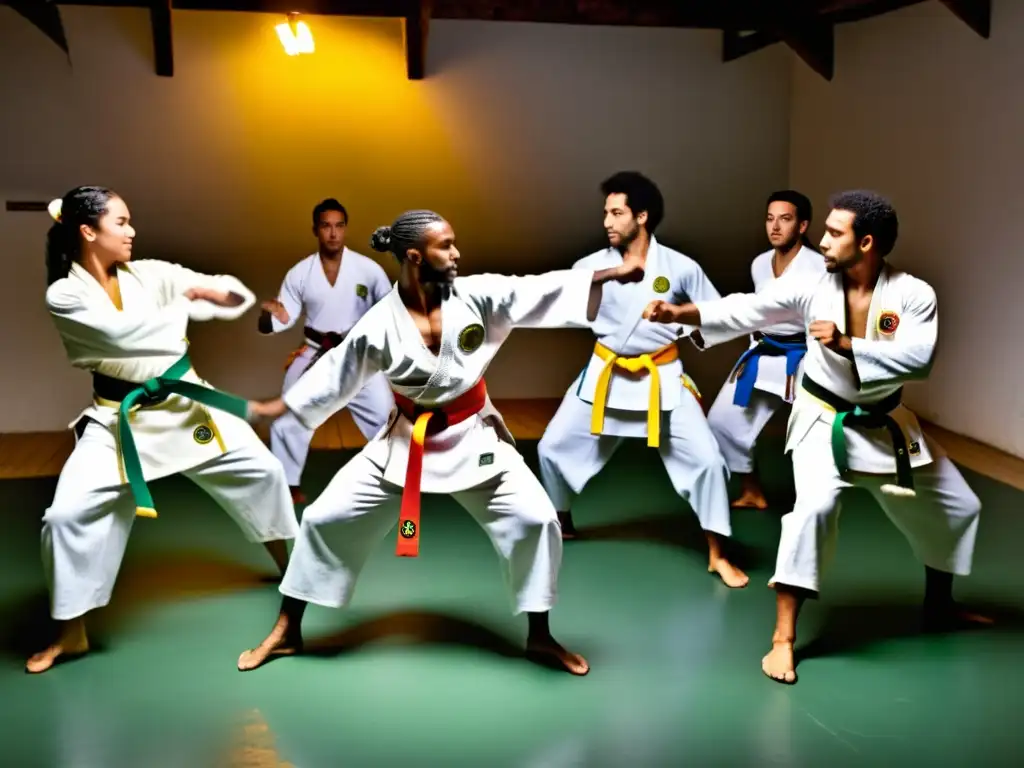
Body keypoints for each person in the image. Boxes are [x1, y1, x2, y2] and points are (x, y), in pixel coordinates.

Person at [238, 209, 646, 676]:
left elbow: (534, 287)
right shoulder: (379, 324)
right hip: (404, 444)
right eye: (446, 245)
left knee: (536, 519)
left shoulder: (477, 295)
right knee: (324, 516)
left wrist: (612, 271)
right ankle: (288, 628)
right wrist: (276, 407)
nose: (457, 253)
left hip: (474, 440)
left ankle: (540, 636)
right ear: (415, 256)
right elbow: (335, 377)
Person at [642, 189, 989, 684]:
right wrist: (683, 315)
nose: (822, 241)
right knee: (813, 510)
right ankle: (782, 640)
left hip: (885, 422)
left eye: (834, 232)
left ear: (866, 242)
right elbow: (750, 308)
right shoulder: (814, 286)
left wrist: (847, 343)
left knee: (957, 505)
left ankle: (940, 606)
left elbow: (920, 359)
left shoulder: (913, 294)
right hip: (822, 419)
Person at [27, 186, 299, 674]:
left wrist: (218, 291)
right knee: (65, 518)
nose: (133, 232)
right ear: (88, 231)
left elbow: (228, 292)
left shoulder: (148, 275)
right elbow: (122, 336)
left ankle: (289, 568)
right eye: (122, 223)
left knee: (262, 471)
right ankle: (71, 633)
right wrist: (185, 302)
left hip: (184, 406)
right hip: (118, 421)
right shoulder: (64, 295)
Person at [536, 171, 748, 588]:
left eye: (617, 213)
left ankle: (718, 554)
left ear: (643, 216)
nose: (607, 222)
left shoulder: (681, 268)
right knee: (551, 447)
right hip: (606, 374)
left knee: (707, 461)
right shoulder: (590, 267)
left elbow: (718, 316)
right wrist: (604, 279)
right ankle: (561, 519)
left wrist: (678, 317)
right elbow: (569, 305)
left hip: (661, 376)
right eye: (605, 214)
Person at [259, 198, 395, 503]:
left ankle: (392, 478)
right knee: (290, 420)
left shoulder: (368, 270)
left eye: (338, 226)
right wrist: (270, 319)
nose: (333, 233)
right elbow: (285, 316)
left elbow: (389, 310)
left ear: (345, 229)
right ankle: (287, 486)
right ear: (316, 230)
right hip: (314, 354)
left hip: (358, 356)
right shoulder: (300, 273)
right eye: (325, 226)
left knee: (386, 419)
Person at [706, 190, 826, 510]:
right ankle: (752, 489)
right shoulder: (760, 264)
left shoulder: (820, 267)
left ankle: (818, 503)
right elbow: (757, 314)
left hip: (805, 359)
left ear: (802, 226)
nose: (775, 226)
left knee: (815, 436)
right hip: (764, 353)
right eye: (770, 219)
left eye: (785, 219)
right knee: (722, 421)